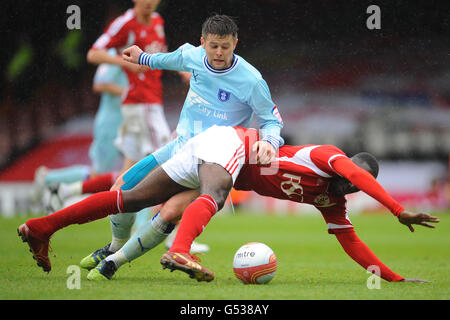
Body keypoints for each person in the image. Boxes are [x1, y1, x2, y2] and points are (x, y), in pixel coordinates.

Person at [18, 125, 439, 283]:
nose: (350, 190)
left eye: (354, 190)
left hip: (216, 154)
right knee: (214, 197)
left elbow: (351, 242)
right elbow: (361, 174)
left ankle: (43, 226)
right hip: (232, 143)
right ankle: (180, 252)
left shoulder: (332, 201)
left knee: (131, 199)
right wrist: (398, 209)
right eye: (349, 182)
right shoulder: (326, 156)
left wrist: (394, 279)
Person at [77, 13, 284, 273]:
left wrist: (270, 143)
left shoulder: (252, 80)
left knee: (171, 211)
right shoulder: (192, 55)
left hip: (213, 160)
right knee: (122, 187)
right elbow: (167, 59)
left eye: (225, 47)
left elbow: (272, 119)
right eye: (213, 46)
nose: (219, 52)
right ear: (202, 43)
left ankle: (113, 263)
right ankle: (114, 246)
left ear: (235, 44)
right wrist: (142, 57)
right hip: (179, 147)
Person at [30, 49, 127, 213]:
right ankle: (49, 179)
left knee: (138, 168)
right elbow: (100, 84)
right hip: (110, 126)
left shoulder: (132, 52)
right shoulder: (115, 53)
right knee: (98, 175)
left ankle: (136, 219)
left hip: (127, 124)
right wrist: (128, 93)